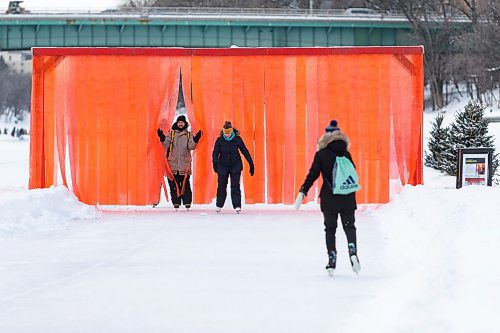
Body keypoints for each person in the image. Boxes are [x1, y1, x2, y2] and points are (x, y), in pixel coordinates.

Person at [295, 120, 361, 275]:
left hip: (330, 198)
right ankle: (352, 251)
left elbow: (313, 175)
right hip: (348, 197)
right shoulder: (346, 152)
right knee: (349, 226)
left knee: (330, 229)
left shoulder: (322, 154)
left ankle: (332, 259)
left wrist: (303, 191)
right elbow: (352, 173)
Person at [157, 115, 202, 210]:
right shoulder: (171, 134)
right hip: (173, 164)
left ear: (185, 123)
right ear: (177, 123)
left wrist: (195, 139)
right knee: (174, 185)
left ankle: (187, 202)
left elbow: (191, 147)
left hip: (185, 165)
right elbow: (166, 144)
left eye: (182, 122)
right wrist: (162, 138)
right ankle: (176, 202)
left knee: (185, 184)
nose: (180, 124)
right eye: (179, 122)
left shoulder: (188, 134)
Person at [212, 121, 254, 213]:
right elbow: (215, 153)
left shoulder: (237, 139)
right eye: (226, 133)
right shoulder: (219, 140)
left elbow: (245, 151)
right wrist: (215, 163)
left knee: (235, 186)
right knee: (221, 186)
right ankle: (219, 205)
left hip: (235, 166)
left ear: (232, 132)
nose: (227, 135)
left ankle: (237, 205)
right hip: (223, 166)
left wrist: (251, 163)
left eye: (229, 133)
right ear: (223, 132)